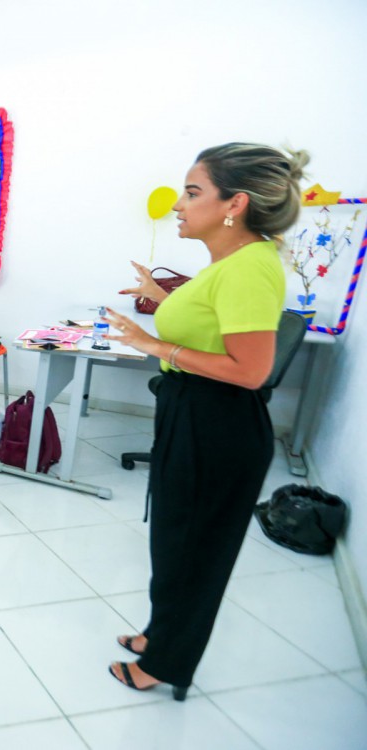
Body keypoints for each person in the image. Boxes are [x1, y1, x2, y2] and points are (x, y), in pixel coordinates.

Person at [103, 143, 304, 700]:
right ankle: (158, 635)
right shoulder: (233, 263)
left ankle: (167, 664)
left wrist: (152, 343)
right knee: (174, 543)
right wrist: (158, 294)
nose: (180, 205)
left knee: (194, 553)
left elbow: (250, 370)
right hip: (193, 412)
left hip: (217, 426)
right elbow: (211, 317)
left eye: (193, 193)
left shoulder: (251, 268)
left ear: (233, 203)